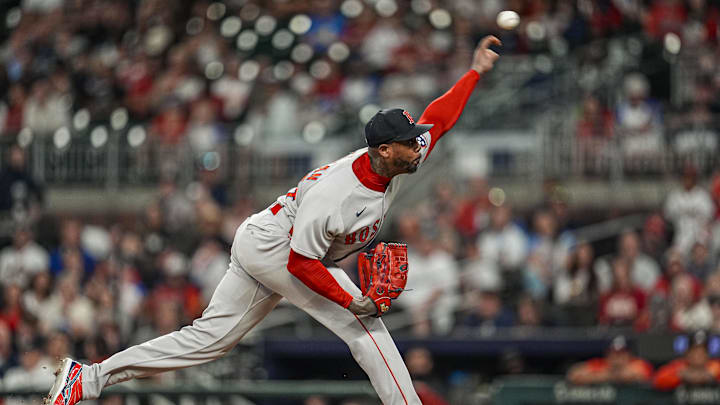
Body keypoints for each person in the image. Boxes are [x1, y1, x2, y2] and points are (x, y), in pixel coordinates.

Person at [44, 36, 502, 405]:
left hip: (273, 240)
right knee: (365, 328)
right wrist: (354, 303)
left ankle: (89, 377)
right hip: (279, 248)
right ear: (384, 150)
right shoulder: (336, 195)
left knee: (209, 340)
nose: (419, 143)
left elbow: (437, 120)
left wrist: (474, 72)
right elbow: (303, 263)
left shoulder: (399, 158)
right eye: (409, 141)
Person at [566, 335, 653, 385]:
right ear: (607, 354)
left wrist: (599, 376)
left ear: (629, 354)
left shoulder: (637, 363)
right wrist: (610, 375)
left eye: (621, 353)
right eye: (613, 353)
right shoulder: (601, 364)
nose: (617, 358)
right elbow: (574, 374)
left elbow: (639, 374)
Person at [654, 331, 720, 390]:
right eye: (694, 351)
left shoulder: (715, 366)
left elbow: (714, 372)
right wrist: (680, 376)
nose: (698, 355)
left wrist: (711, 375)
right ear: (687, 353)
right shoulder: (679, 366)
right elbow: (658, 380)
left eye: (703, 351)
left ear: (708, 354)